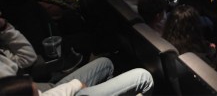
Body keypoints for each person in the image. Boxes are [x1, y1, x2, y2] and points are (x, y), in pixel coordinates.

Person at [0, 17, 154, 95]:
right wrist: (74, 86)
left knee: (105, 63)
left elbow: (26, 59)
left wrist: (5, 27)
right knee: (143, 76)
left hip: (48, 90)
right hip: (52, 93)